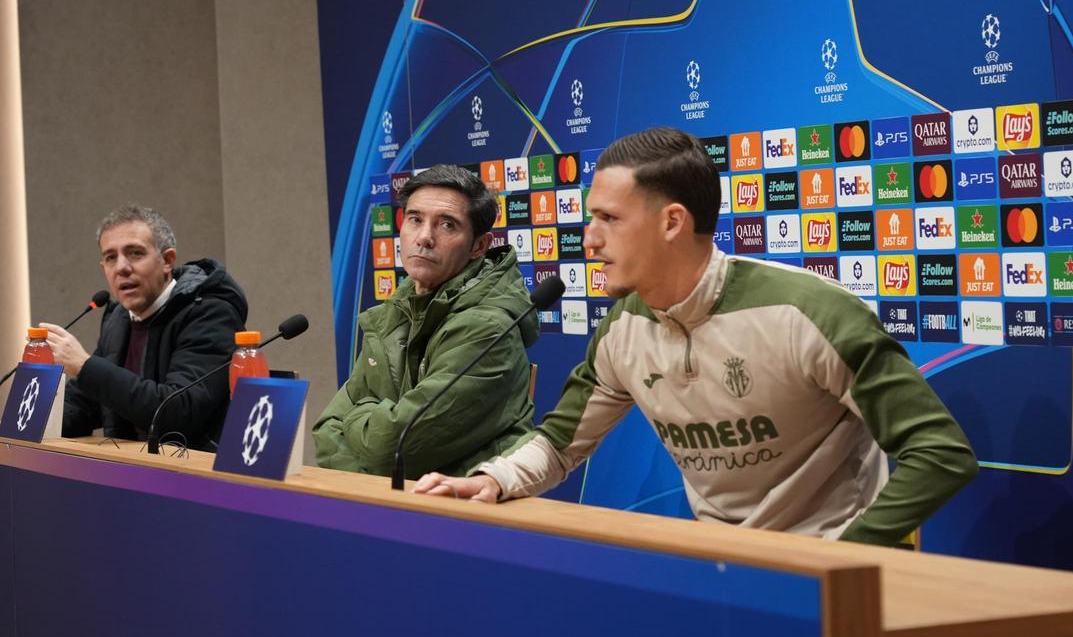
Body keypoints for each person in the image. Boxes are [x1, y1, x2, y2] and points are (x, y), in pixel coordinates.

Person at [415, 128, 978, 546]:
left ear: (672, 223)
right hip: (723, 563)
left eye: (609, 219)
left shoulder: (811, 313)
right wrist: (492, 480)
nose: (588, 240)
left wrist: (846, 556)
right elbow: (562, 443)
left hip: (838, 566)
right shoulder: (623, 329)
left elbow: (940, 454)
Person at [313, 165, 539, 479]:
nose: (424, 238)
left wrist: (362, 411)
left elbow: (391, 448)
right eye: (415, 219)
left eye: (447, 225)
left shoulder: (487, 328)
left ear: (479, 246)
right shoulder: (395, 312)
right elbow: (325, 431)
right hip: (396, 505)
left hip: (466, 514)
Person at [43, 205, 248, 449]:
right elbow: (88, 404)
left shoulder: (209, 314)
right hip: (130, 471)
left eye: (135, 253)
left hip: (195, 475)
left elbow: (176, 414)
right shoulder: (119, 318)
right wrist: (33, 420)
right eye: (111, 258)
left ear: (167, 261)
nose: (121, 267)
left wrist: (84, 366)